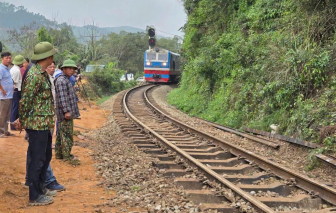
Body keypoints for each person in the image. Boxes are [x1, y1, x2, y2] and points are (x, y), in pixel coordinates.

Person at [18, 42, 57, 206]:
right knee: (37, 159)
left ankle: (41, 189)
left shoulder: (41, 74)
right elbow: (25, 101)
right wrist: (22, 120)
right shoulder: (34, 76)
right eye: (52, 55)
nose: (53, 58)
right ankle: (34, 195)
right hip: (36, 125)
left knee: (46, 156)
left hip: (44, 123)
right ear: (47, 57)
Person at [55, 59, 80, 165]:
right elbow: (62, 98)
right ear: (63, 69)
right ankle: (66, 156)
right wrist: (67, 111)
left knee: (62, 134)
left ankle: (59, 154)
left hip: (67, 113)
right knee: (67, 134)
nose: (72, 71)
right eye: (69, 68)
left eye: (73, 69)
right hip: (65, 114)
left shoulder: (66, 80)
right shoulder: (62, 81)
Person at [0, 52, 14, 138]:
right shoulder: (1, 68)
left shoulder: (8, 69)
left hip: (9, 95)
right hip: (3, 96)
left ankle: (5, 131)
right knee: (2, 115)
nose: (9, 60)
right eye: (7, 58)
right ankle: (0, 131)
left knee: (7, 115)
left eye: (10, 58)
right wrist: (2, 90)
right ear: (2, 59)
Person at [10, 55, 24, 131]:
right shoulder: (16, 70)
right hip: (16, 91)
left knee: (14, 108)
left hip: (15, 91)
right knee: (15, 108)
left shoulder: (13, 69)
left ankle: (15, 125)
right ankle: (13, 126)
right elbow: (14, 82)